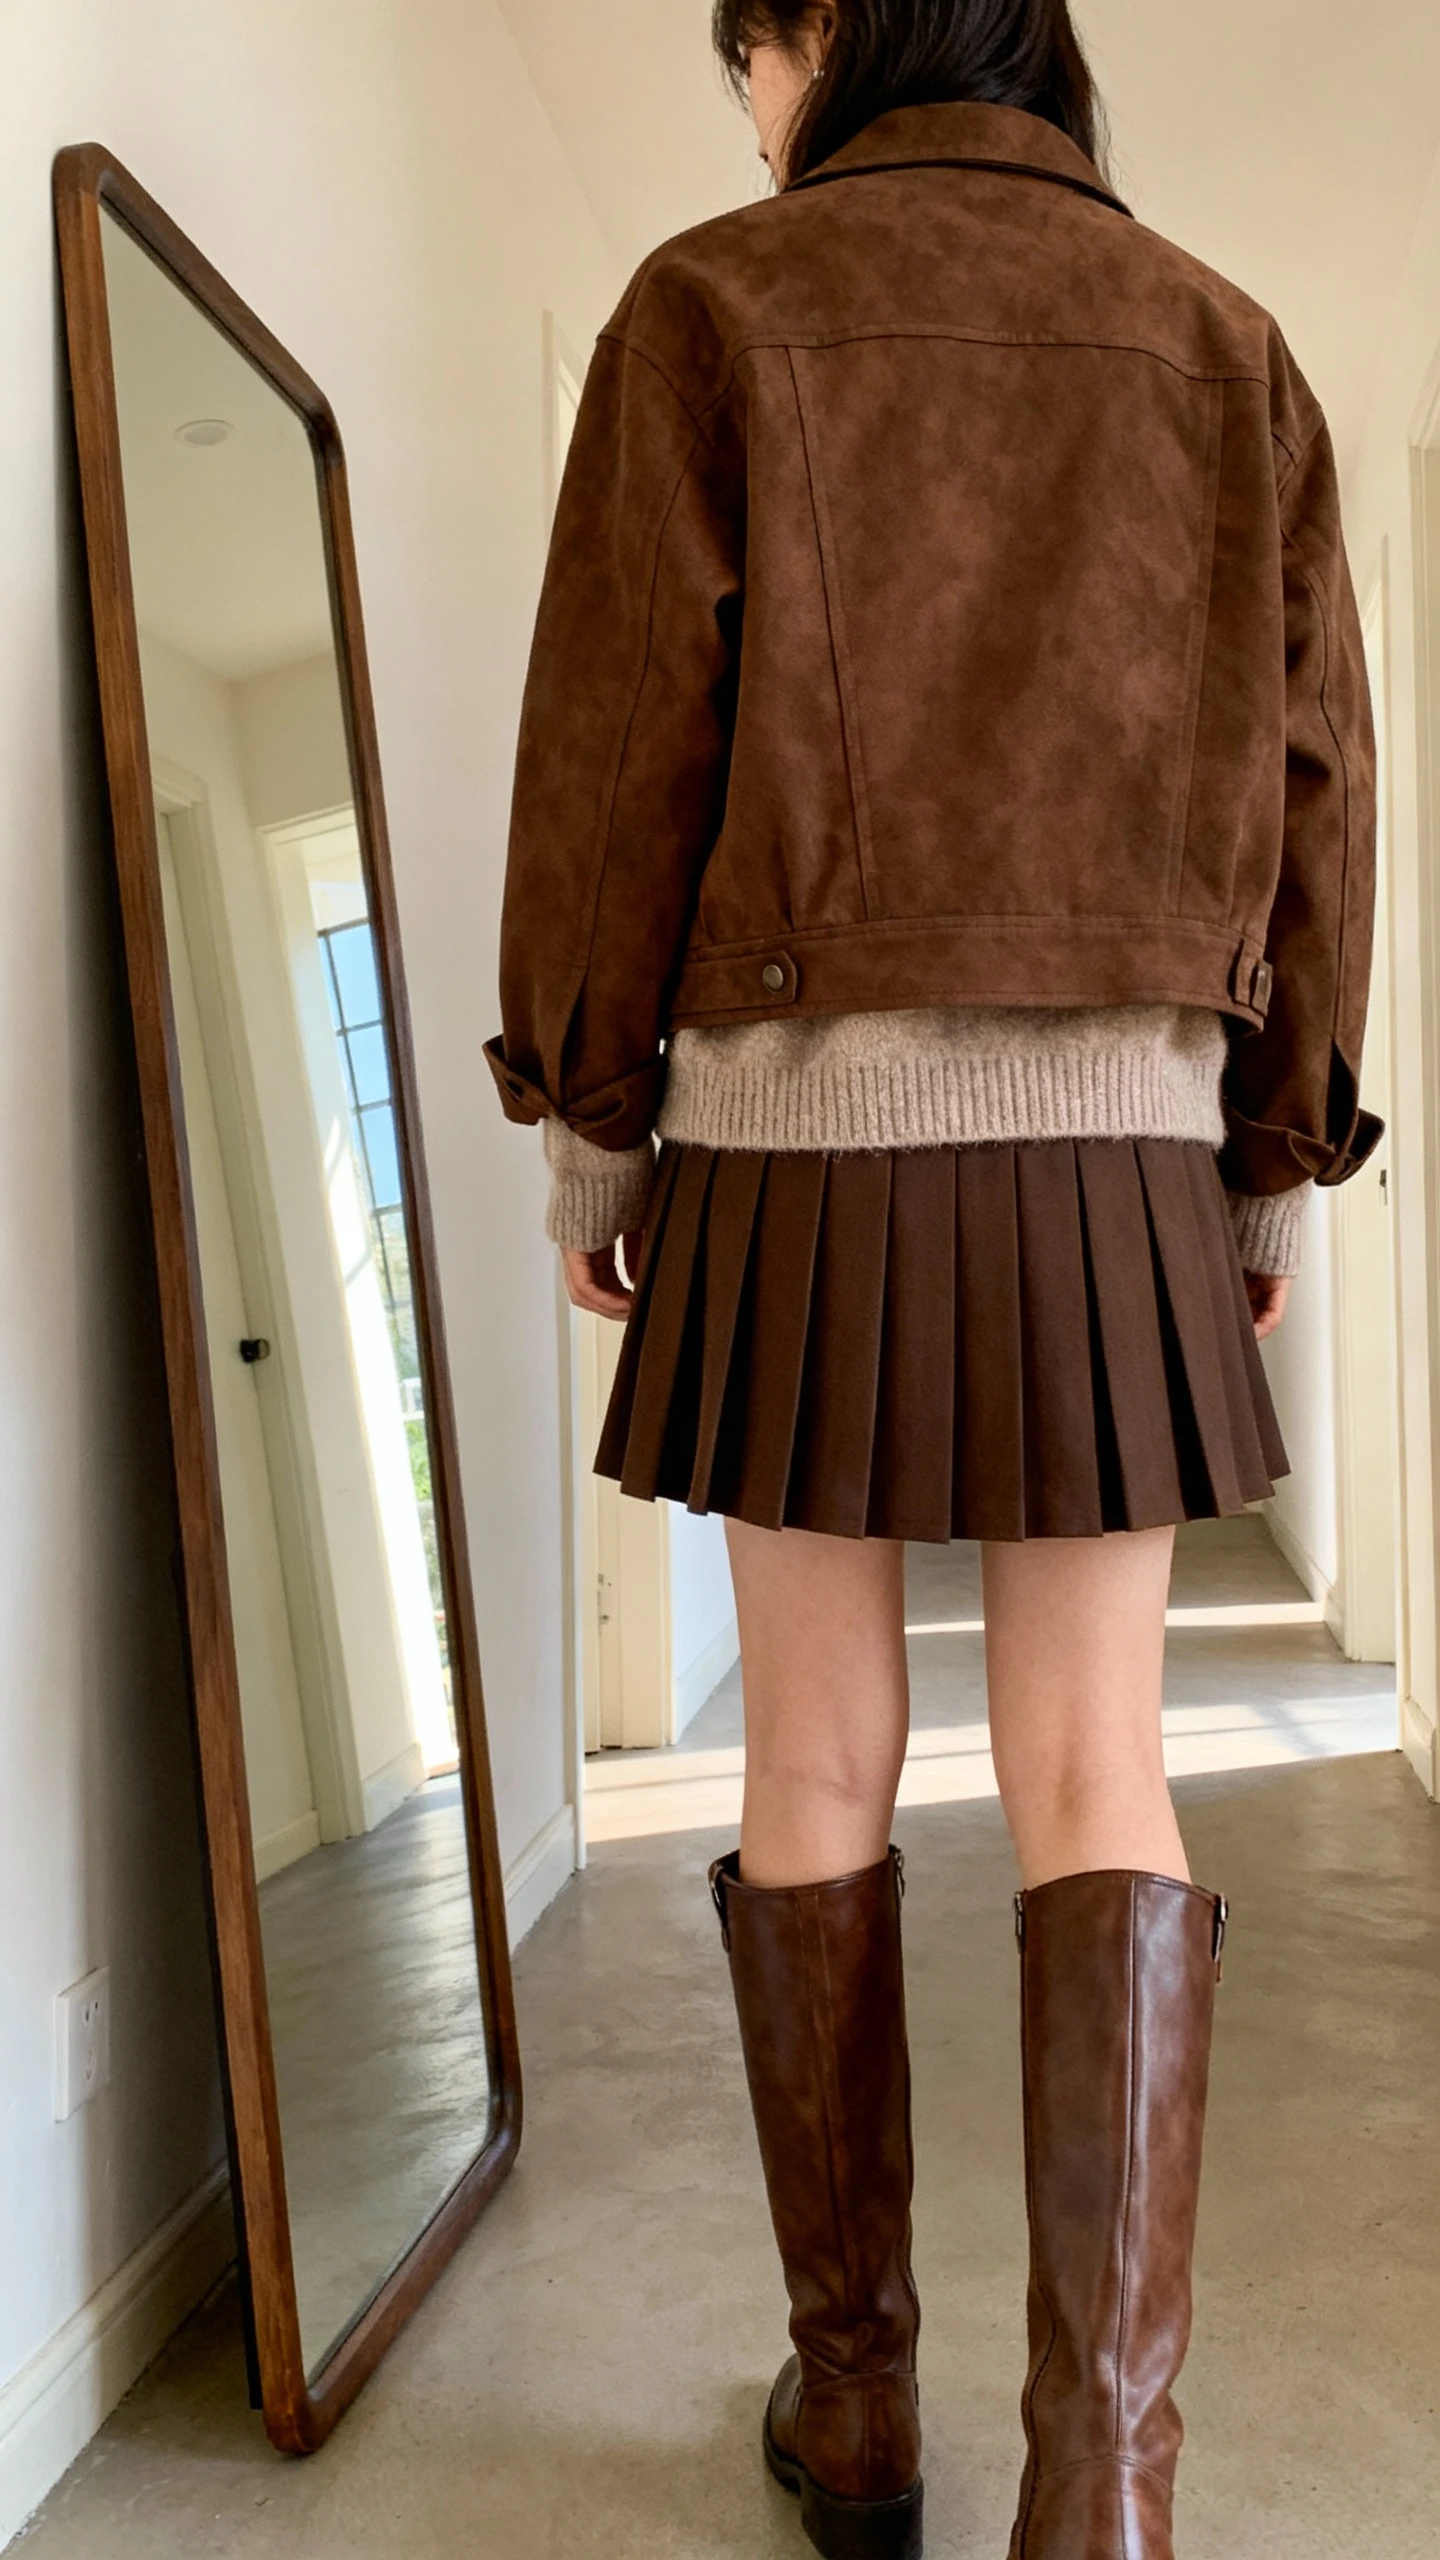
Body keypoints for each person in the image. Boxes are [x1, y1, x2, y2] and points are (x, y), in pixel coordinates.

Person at [486, 4, 1378, 2552]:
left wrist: (593, 1147)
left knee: (813, 1763)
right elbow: (1320, 788)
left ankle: (854, 2407)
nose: (741, 123)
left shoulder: (711, 308)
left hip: (793, 1143)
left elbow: (615, 747)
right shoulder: (1229, 349)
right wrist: (1267, 1169)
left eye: (740, 63)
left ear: (821, 35)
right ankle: (1100, 2489)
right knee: (1105, 1763)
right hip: (1115, 1150)